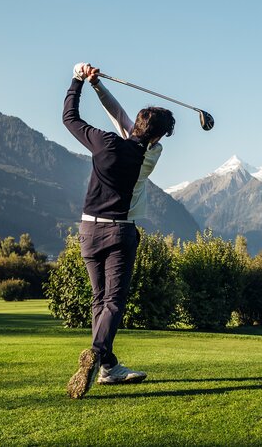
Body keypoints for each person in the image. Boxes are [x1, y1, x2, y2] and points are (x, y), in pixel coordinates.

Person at [63, 62, 175, 399]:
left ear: (136, 125)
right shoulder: (151, 155)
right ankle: (97, 353)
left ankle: (108, 367)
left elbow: (71, 118)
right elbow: (123, 119)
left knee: (99, 299)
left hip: (88, 230)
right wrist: (96, 85)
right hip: (120, 233)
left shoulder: (104, 143)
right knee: (113, 301)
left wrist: (81, 81)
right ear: (157, 136)